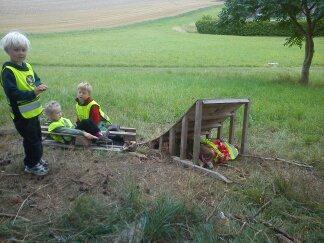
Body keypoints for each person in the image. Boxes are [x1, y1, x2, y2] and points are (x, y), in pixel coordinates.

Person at [0, 31, 48, 175]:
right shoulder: (8, 71)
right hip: (21, 115)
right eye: (16, 50)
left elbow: (36, 79)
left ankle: (36, 159)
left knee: (37, 137)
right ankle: (31, 165)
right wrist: (33, 93)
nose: (21, 53)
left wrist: (39, 85)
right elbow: (12, 93)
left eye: (23, 49)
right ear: (8, 50)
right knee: (31, 140)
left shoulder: (27, 66)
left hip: (33, 112)